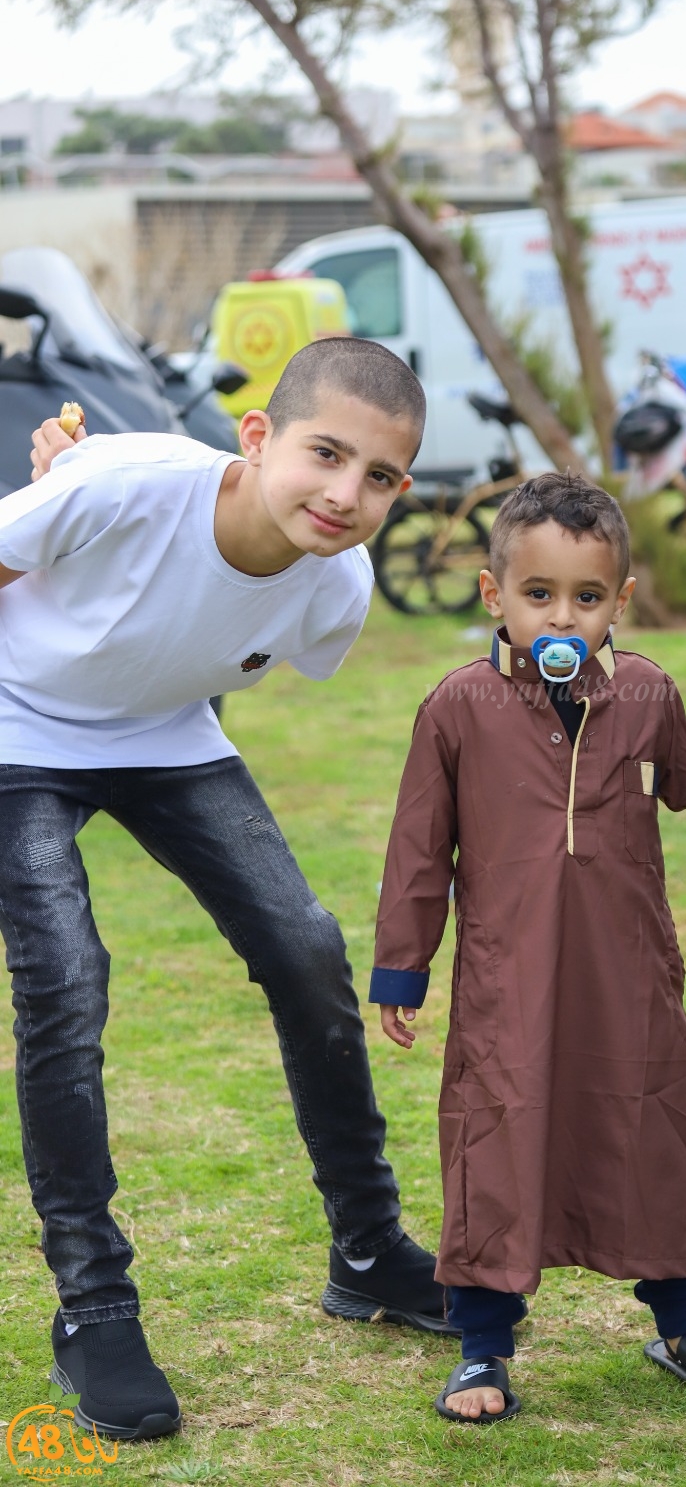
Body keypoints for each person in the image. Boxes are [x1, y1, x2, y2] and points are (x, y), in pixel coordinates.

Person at [1, 338, 455, 1443]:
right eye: (325, 454)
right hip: (16, 725)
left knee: (304, 942)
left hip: (164, 741)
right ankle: (94, 1302)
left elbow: (200, 649)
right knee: (64, 975)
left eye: (382, 476)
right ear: (256, 438)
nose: (347, 494)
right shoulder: (121, 484)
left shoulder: (335, 588)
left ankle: (367, 1248)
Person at [370, 474, 686, 1423]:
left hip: (627, 973)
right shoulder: (457, 707)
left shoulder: (641, 693)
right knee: (499, 1134)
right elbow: (420, 850)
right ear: (493, 595)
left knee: (652, 1131)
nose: (563, 615)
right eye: (538, 594)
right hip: (509, 982)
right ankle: (480, 1348)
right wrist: (402, 966)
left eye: (586, 598)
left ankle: (683, 1319)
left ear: (619, 602)